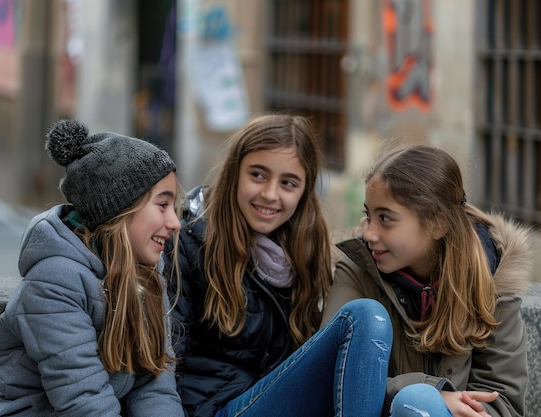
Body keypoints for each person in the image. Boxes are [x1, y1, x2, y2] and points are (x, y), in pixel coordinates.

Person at [164, 114, 393, 417]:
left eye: (288, 183)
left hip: (276, 400)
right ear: (234, 173)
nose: (270, 194)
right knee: (365, 316)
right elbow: (163, 362)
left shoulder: (305, 250)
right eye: (257, 175)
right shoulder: (188, 240)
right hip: (214, 410)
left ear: (304, 191)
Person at [0, 119, 184, 417]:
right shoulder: (55, 281)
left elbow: (154, 385)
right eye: (162, 205)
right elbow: (85, 401)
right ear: (119, 211)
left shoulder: (145, 273)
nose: (175, 222)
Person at [321, 144, 533, 417]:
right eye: (368, 215)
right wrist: (433, 391)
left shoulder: (494, 280)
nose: (369, 233)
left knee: (421, 404)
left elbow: (503, 401)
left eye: (385, 218)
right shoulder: (357, 269)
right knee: (418, 399)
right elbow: (330, 374)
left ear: (437, 224)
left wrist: (447, 407)